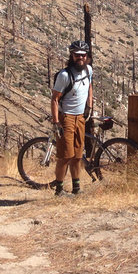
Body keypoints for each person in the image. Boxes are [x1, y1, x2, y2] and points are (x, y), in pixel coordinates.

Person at [51, 40, 93, 196]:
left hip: (80, 118)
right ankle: (59, 189)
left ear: (87, 56)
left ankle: (76, 189)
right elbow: (55, 99)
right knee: (64, 156)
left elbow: (89, 86)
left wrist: (89, 106)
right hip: (66, 117)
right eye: (77, 55)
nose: (80, 58)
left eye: (83, 55)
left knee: (77, 156)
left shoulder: (88, 70)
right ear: (72, 55)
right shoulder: (64, 75)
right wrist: (56, 122)